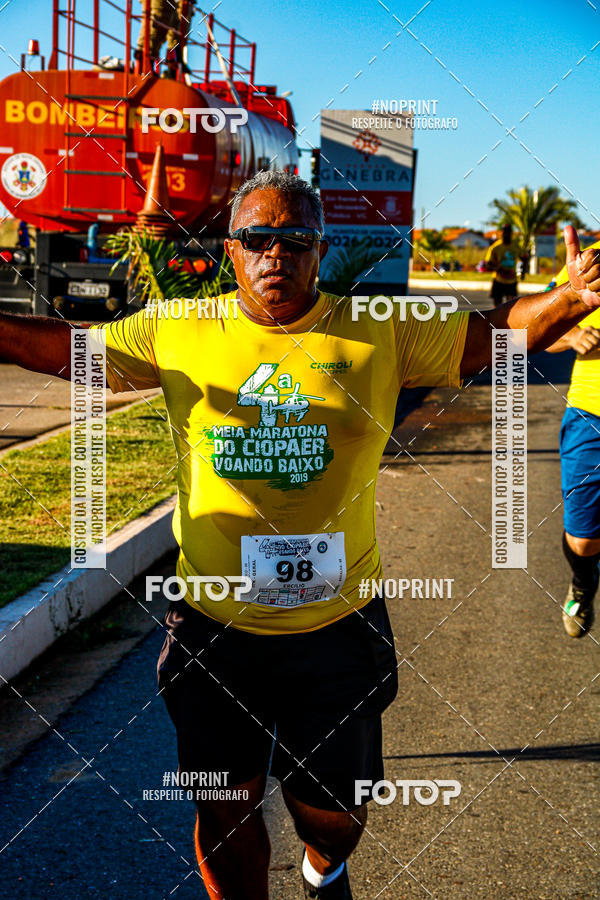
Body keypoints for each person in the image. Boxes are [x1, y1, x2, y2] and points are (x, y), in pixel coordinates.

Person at [1, 172, 599, 900]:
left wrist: (569, 298)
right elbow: (73, 353)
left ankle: (323, 868)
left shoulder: (377, 325)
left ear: (320, 251)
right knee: (223, 809)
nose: (273, 253)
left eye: (294, 239)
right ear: (231, 249)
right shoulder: (179, 328)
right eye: (257, 238)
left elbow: (492, 338)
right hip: (214, 626)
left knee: (336, 816)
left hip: (336, 628)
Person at [545, 238, 600, 638]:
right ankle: (583, 582)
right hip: (589, 414)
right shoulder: (589, 261)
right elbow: (537, 330)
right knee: (583, 541)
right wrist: (572, 337)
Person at [485, 223, 520, 306]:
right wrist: (499, 270)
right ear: (502, 233)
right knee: (497, 306)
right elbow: (487, 264)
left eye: (509, 232)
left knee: (512, 306)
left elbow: (525, 257)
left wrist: (523, 272)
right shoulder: (495, 248)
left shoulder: (516, 246)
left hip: (511, 281)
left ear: (511, 234)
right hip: (498, 280)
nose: (507, 234)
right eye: (505, 232)